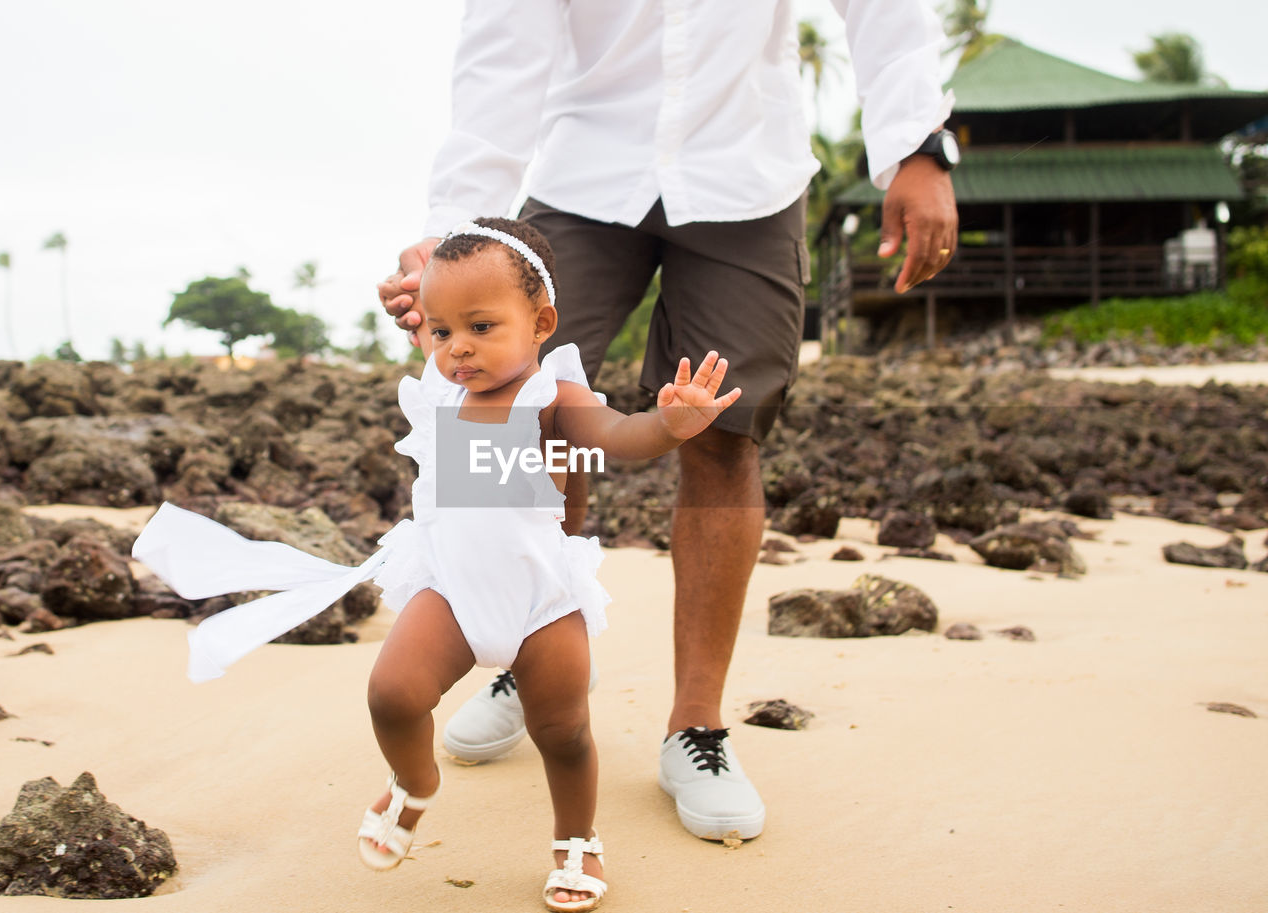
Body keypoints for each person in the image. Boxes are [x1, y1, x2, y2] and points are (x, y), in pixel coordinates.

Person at [378, 0, 959, 842]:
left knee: (724, 429)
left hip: (745, 166)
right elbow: (502, 50)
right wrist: (451, 234)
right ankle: (524, 647)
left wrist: (915, 143)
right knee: (512, 409)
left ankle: (696, 725)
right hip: (585, 167)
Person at [134, 218, 741, 913]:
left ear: (540, 321)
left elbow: (618, 435)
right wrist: (424, 281)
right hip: (450, 591)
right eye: (444, 330)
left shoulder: (554, 396)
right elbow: (432, 310)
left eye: (482, 327)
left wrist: (669, 424)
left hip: (541, 601)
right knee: (392, 693)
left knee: (564, 732)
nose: (459, 347)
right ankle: (414, 781)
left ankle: (577, 837)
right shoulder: (444, 385)